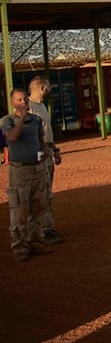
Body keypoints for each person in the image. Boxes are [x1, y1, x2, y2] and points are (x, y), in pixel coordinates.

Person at [2, 88, 54, 262]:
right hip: (19, 171)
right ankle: (19, 246)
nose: (23, 102)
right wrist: (22, 118)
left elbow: (39, 144)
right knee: (20, 210)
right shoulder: (6, 121)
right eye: (19, 100)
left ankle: (35, 240)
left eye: (25, 99)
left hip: (36, 168)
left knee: (39, 205)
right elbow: (12, 138)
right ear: (12, 103)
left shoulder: (36, 121)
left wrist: (45, 153)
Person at [28, 76, 62, 244]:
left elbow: (46, 133)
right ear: (42, 88)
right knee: (40, 192)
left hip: (47, 150)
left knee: (47, 191)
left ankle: (47, 228)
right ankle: (39, 231)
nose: (49, 90)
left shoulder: (41, 106)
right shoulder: (29, 108)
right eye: (48, 87)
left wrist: (55, 150)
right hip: (37, 154)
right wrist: (39, 157)